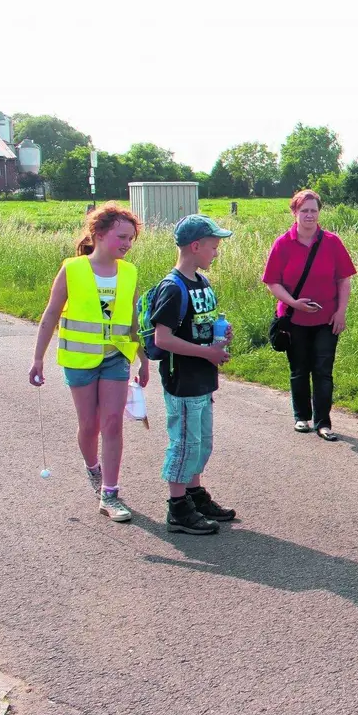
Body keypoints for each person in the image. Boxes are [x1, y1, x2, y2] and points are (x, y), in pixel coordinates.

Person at [28, 204, 150, 523]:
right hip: (80, 359)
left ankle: (110, 493)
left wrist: (143, 359)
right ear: (98, 234)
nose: (127, 244)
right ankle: (92, 469)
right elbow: (51, 313)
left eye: (131, 239)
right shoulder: (73, 268)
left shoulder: (130, 271)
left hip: (116, 357)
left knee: (112, 422)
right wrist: (37, 358)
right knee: (89, 425)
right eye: (122, 237)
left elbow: (132, 319)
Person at [148, 214, 237, 535]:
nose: (217, 252)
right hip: (182, 381)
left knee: (203, 443)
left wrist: (220, 338)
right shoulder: (173, 288)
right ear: (196, 246)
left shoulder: (203, 283)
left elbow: (201, 327)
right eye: (213, 247)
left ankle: (194, 494)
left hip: (202, 379)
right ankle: (178, 507)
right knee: (184, 443)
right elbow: (163, 338)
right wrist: (206, 353)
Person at [261, 189, 357, 440]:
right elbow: (272, 282)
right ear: (294, 212)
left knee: (323, 370)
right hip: (294, 319)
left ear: (319, 212)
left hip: (326, 320)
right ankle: (302, 417)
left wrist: (341, 312)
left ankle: (324, 423)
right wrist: (294, 302)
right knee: (300, 369)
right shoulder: (283, 243)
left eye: (314, 210)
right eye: (304, 210)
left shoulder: (332, 242)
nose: (309, 215)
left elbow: (343, 279)